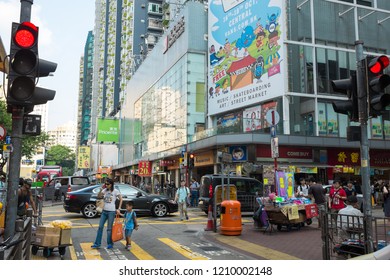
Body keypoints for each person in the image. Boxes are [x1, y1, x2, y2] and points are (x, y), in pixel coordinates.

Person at [91, 178, 122, 249]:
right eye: (105, 184)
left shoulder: (115, 191)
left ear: (111, 184)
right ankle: (97, 243)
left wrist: (119, 208)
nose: (106, 185)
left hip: (111, 211)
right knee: (100, 227)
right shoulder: (104, 190)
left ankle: (110, 243)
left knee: (109, 229)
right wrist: (101, 189)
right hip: (104, 211)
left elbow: (121, 199)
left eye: (108, 184)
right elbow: (99, 196)